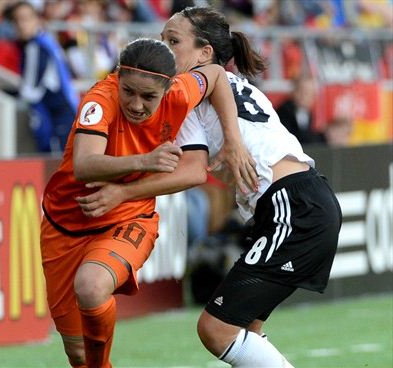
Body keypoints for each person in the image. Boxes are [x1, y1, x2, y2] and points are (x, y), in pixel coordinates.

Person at [75, 7, 342, 367]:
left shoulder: (187, 97)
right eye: (162, 38)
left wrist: (121, 192)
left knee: (214, 329)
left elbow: (192, 173)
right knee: (246, 328)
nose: (162, 47)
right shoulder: (240, 87)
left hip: (289, 207)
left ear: (205, 54)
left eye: (173, 41)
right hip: (300, 200)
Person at [40, 36, 257, 368]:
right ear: (117, 79)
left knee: (91, 285)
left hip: (126, 217)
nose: (136, 104)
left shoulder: (182, 90)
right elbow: (84, 165)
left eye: (148, 96)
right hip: (63, 226)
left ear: (169, 88)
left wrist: (233, 139)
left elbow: (214, 74)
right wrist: (146, 161)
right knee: (78, 352)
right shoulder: (99, 99)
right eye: (129, 91)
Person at [6, 1, 80, 154]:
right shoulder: (45, 41)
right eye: (17, 20)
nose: (21, 25)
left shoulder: (36, 46)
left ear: (37, 20)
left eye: (25, 19)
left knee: (60, 168)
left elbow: (29, 92)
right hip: (67, 113)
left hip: (60, 117)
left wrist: (4, 92)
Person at [275, 75, 326, 145]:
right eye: (302, 91)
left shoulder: (309, 113)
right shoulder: (284, 112)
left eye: (310, 93)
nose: (304, 96)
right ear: (294, 91)